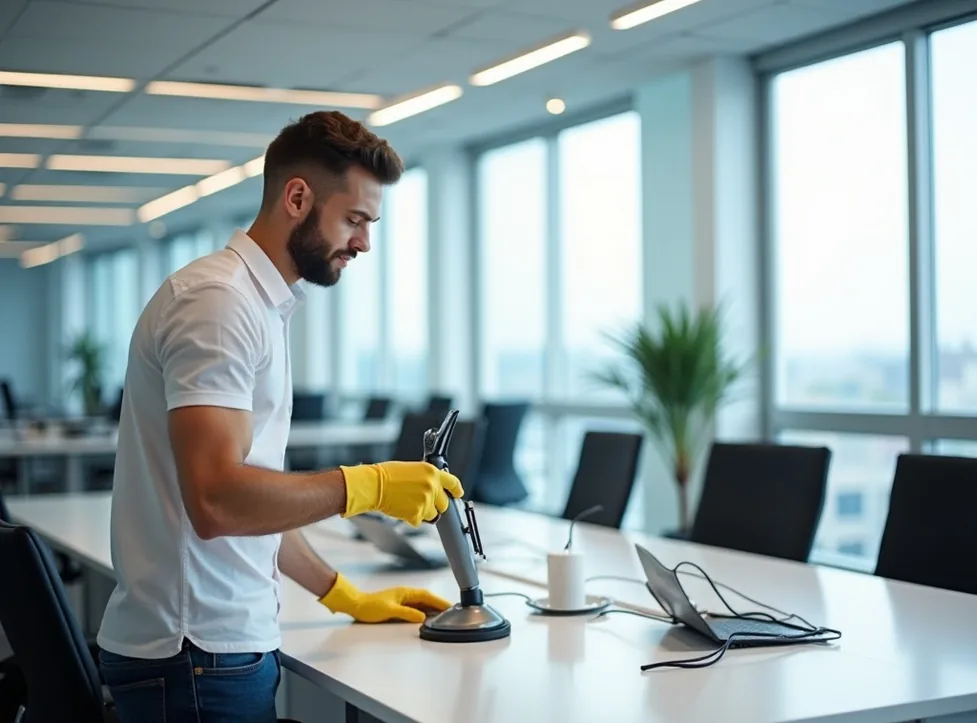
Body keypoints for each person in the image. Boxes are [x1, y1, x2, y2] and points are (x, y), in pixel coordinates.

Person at [96, 110, 462, 723]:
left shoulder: (254, 302)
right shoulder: (220, 303)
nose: (365, 242)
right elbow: (217, 501)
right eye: (354, 219)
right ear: (298, 197)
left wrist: (343, 593)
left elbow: (254, 500)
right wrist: (366, 485)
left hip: (206, 652)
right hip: (196, 657)